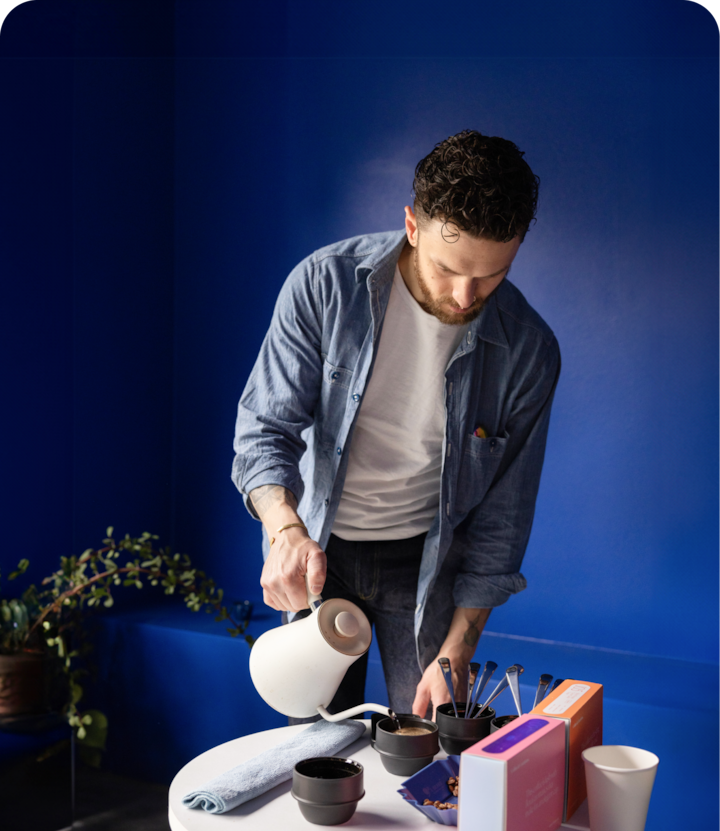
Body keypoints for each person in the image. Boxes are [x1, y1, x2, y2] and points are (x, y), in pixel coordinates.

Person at [232, 130, 560, 720]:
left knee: (427, 743)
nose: (465, 296)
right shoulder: (324, 285)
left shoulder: (529, 350)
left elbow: (503, 520)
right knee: (316, 748)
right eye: (449, 268)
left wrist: (459, 646)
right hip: (316, 552)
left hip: (428, 564)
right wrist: (284, 531)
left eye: (492, 276)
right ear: (413, 226)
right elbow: (264, 429)